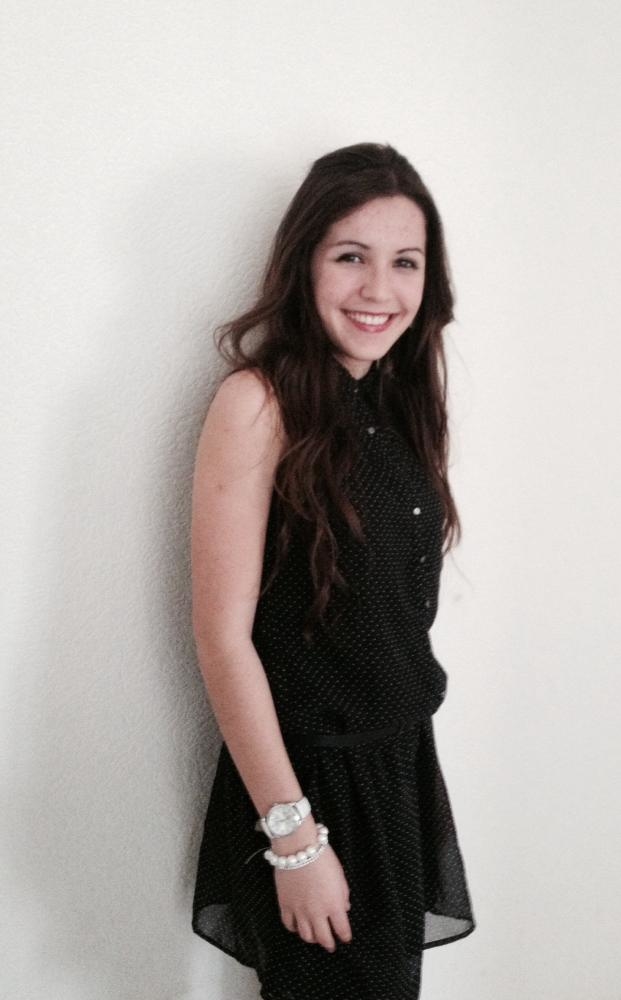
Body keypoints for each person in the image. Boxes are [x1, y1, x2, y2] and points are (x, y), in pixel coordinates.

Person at [190, 142, 476, 1000]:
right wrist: (294, 839)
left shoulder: (396, 402)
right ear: (304, 262)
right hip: (311, 785)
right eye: (350, 256)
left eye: (404, 262)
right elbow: (222, 637)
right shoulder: (258, 402)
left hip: (398, 769)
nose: (378, 289)